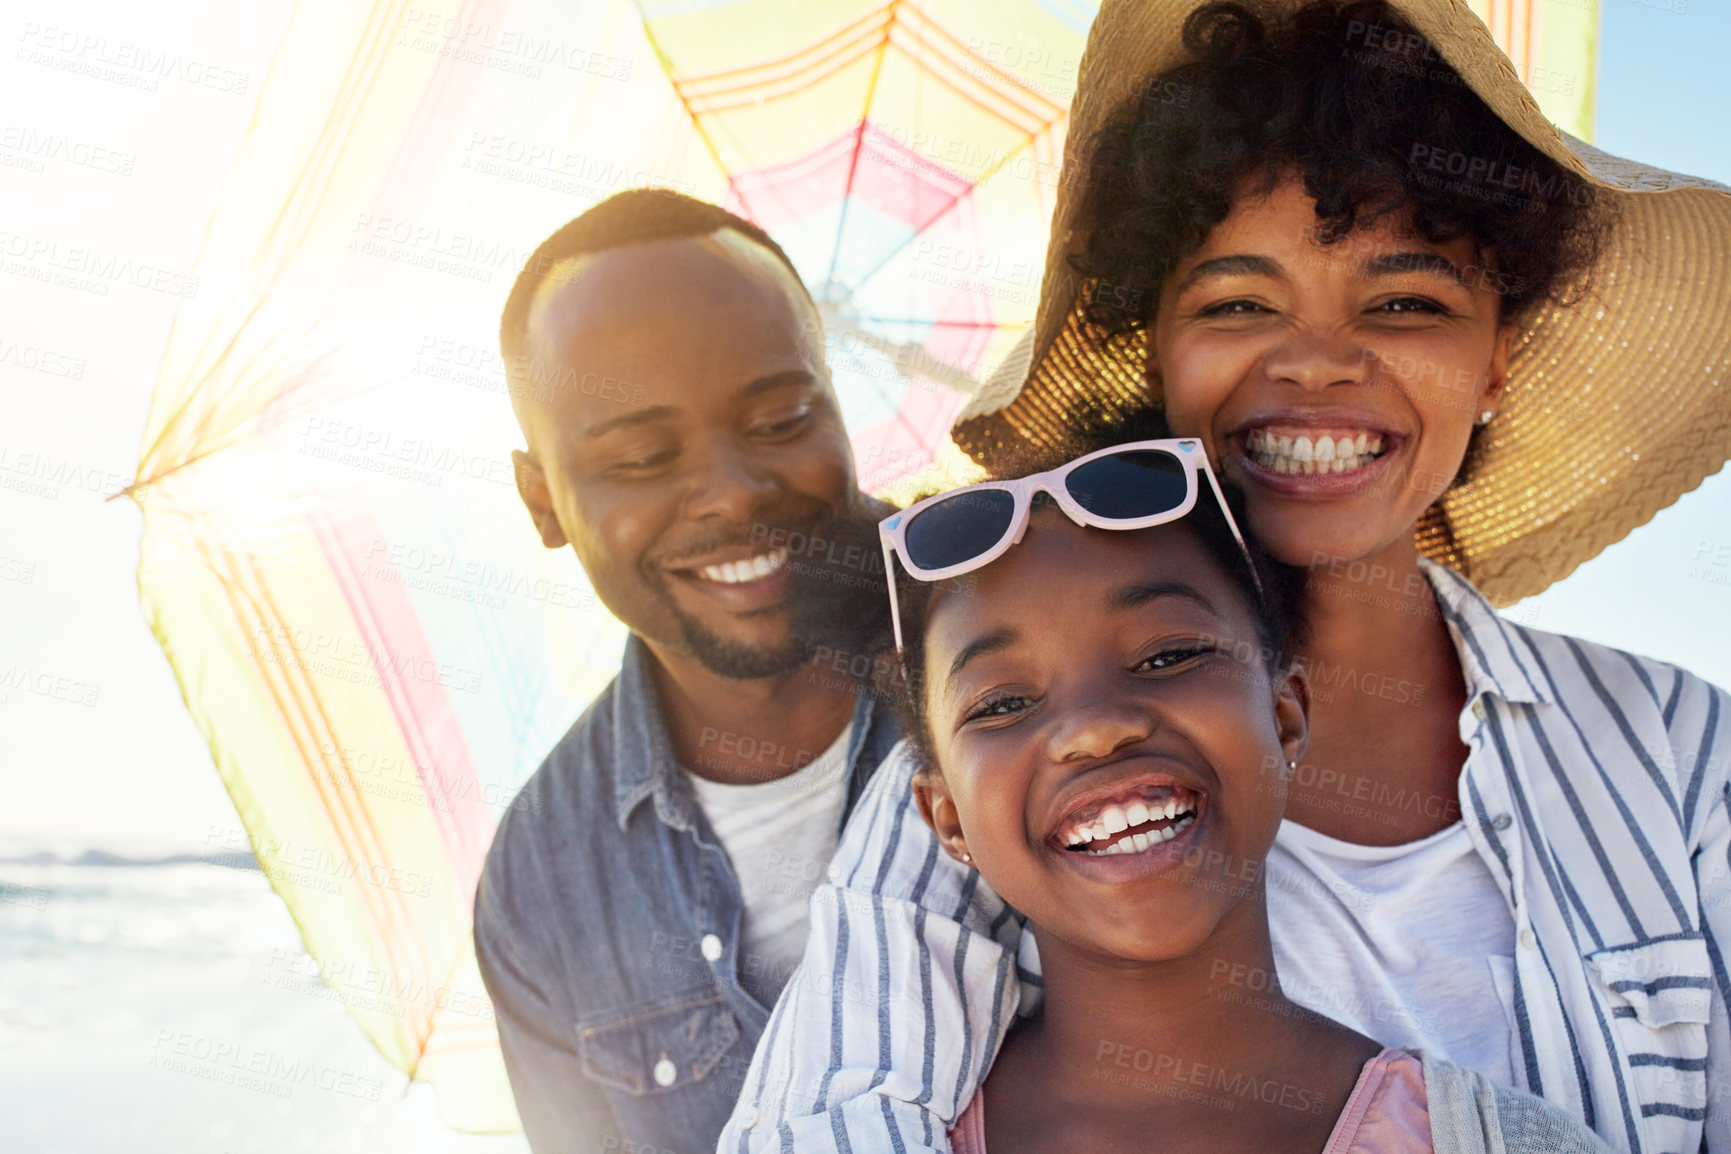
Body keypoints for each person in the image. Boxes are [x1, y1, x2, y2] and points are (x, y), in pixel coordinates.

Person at [720, 2, 1731, 1151]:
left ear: (1498, 354)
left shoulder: (1677, 752)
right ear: (1155, 340)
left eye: (1407, 302)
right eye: (1239, 303)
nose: (1315, 362)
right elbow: (835, 1114)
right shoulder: (973, 785)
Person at [883, 434, 1610, 1152]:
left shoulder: (1498, 1141)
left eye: (1167, 655)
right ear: (947, 819)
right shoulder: (881, 1134)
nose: (1096, 728)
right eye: (1002, 703)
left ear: (1285, 718)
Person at [472, 189, 900, 1154]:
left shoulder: (1042, 642)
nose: (732, 492)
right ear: (543, 502)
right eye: (641, 458)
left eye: (782, 418)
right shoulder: (542, 884)